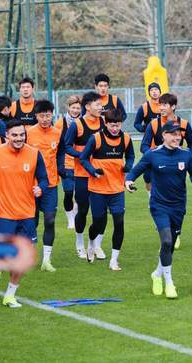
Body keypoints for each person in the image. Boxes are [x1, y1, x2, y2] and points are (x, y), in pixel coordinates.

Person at [126, 121, 192, 299]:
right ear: (164, 135)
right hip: (159, 206)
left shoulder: (186, 155)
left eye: (179, 135)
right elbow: (135, 170)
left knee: (170, 245)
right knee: (166, 241)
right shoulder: (153, 155)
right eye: (173, 134)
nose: (177, 138)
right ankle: (169, 282)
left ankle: (157, 274)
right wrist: (129, 180)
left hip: (178, 207)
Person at [0, 119, 49, 308]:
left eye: (22, 135)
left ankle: (9, 295)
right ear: (7, 135)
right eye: (14, 135)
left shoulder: (34, 154)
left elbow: (44, 178)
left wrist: (40, 188)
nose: (18, 138)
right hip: (3, 215)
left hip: (27, 214)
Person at [80, 108, 135, 271]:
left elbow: (131, 156)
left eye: (118, 125)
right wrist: (93, 171)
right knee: (98, 223)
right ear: (105, 123)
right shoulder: (96, 138)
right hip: (97, 189)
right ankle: (91, 244)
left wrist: (128, 166)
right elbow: (83, 158)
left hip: (117, 190)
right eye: (112, 125)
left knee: (119, 222)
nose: (115, 128)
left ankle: (114, 260)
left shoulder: (126, 138)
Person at [141, 93, 192, 248]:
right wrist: (154, 155)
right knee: (153, 189)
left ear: (173, 107)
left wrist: (190, 157)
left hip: (177, 165)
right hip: (157, 165)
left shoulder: (184, 124)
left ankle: (176, 233)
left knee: (177, 195)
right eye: (160, 105)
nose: (161, 108)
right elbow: (144, 145)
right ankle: (159, 217)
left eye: (165, 105)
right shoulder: (153, 124)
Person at [27, 100, 65, 272]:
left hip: (51, 185)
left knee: (50, 220)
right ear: (36, 116)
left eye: (48, 116)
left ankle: (46, 260)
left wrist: (61, 167)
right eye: (42, 116)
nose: (45, 119)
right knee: (32, 220)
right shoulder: (28, 133)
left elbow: (61, 152)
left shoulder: (57, 133)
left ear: (52, 115)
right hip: (31, 185)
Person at [65, 92, 104, 258]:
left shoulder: (104, 122)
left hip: (100, 175)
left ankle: (96, 245)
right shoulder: (77, 125)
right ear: (87, 107)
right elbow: (66, 146)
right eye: (97, 104)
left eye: (101, 104)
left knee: (100, 213)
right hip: (82, 175)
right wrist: (81, 155)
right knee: (82, 210)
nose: (101, 107)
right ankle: (80, 243)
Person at [54, 95, 82, 229]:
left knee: (80, 194)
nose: (75, 110)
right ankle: (70, 219)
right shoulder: (60, 123)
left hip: (81, 164)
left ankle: (76, 214)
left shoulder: (84, 122)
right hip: (66, 164)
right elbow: (56, 143)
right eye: (73, 107)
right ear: (68, 107)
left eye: (78, 108)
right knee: (69, 192)